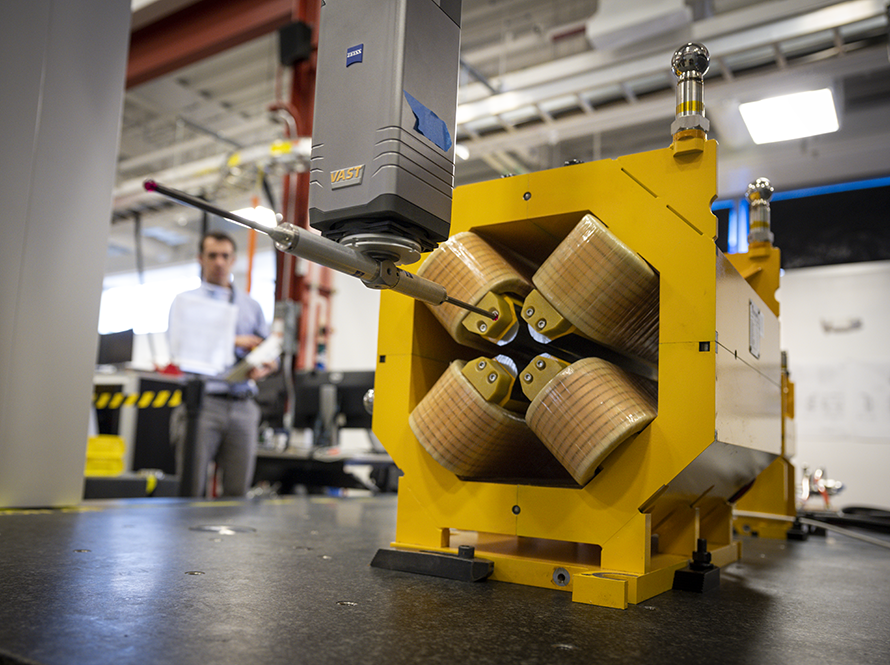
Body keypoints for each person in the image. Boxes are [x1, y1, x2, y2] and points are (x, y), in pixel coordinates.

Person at [168, 230, 277, 497]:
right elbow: (179, 346)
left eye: (225, 256)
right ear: (200, 258)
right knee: (191, 489)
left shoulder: (251, 306)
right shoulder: (186, 302)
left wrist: (267, 365)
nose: (219, 262)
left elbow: (268, 349)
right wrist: (234, 340)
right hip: (204, 405)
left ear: (233, 260)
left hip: (243, 407)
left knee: (237, 493)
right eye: (212, 255)